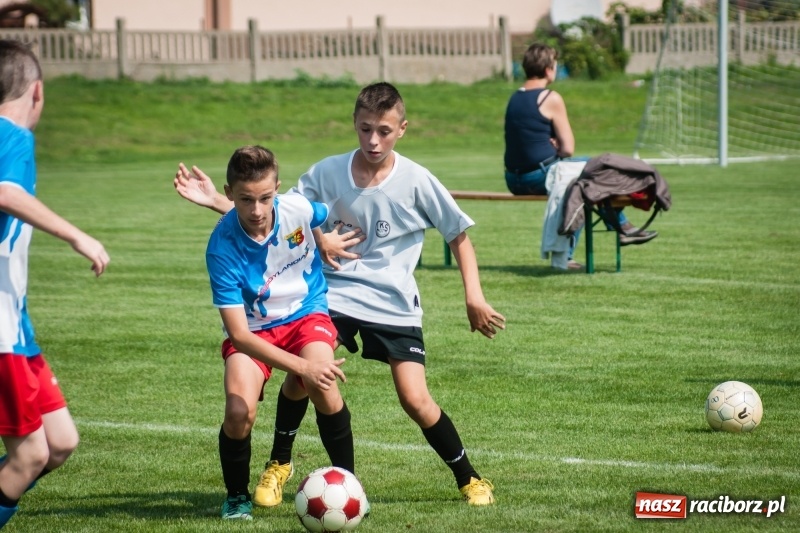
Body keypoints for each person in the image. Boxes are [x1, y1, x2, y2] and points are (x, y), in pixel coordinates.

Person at [174, 82, 505, 506]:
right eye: (365, 129)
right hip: (337, 295)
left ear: (402, 129)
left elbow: (458, 234)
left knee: (415, 398)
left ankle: (469, 477)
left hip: (393, 301)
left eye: (383, 131)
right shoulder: (328, 172)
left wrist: (473, 296)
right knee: (307, 374)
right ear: (353, 123)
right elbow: (269, 214)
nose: (373, 140)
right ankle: (279, 463)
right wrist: (227, 206)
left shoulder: (418, 181)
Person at [198, 145, 356, 520]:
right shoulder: (221, 248)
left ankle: (351, 485)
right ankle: (236, 498)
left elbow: (315, 218)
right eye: (245, 200)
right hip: (254, 330)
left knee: (324, 386)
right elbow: (239, 336)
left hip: (305, 314)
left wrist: (324, 239)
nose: (256, 210)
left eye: (265, 198)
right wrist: (301, 368)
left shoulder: (297, 207)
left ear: (278, 190)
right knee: (238, 412)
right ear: (229, 193)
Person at [0, 39, 111, 529]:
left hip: (16, 326)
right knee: (28, 457)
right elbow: (6, 192)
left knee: (60, 443)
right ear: (37, 92)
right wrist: (77, 235)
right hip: (1, 333)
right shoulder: (13, 137)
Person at [503, 43, 656, 269]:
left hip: (513, 180)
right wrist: (556, 146)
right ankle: (614, 231)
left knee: (587, 176)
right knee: (594, 170)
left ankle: (622, 228)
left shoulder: (514, 98)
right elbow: (568, 149)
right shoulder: (550, 98)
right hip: (539, 177)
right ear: (548, 70)